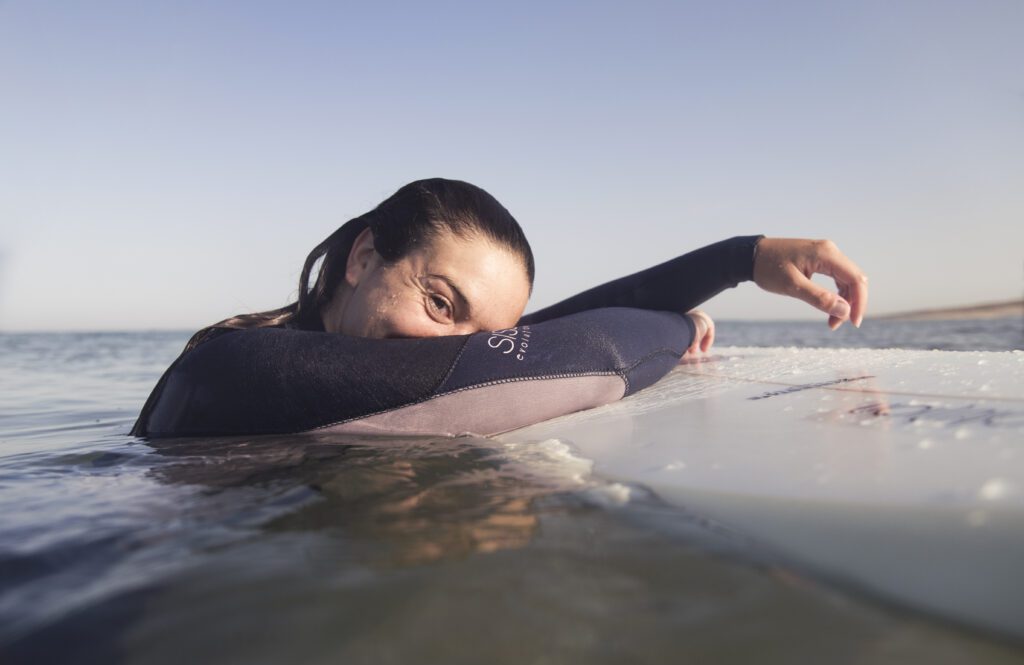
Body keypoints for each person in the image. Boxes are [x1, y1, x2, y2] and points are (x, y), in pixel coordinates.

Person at [131, 178, 867, 438]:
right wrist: (679, 326)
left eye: (489, 331)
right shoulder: (231, 371)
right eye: (440, 300)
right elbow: (571, 353)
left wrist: (739, 260)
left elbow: (524, 343)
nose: (461, 342)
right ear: (363, 258)